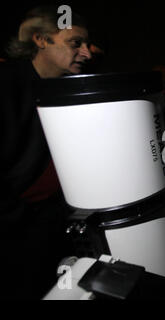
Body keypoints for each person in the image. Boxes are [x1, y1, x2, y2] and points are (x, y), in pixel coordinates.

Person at [0, 5, 92, 299]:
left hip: (49, 228)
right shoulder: (5, 83)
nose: (87, 53)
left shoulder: (63, 91)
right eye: (75, 43)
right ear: (40, 40)